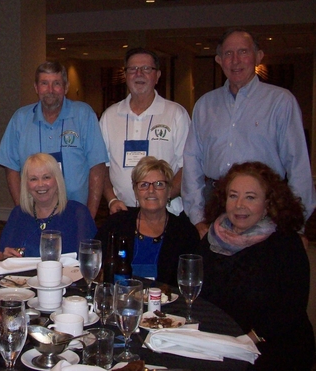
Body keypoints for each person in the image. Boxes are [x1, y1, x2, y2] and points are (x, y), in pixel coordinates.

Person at [183, 28, 316, 239]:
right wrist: (197, 217)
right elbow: (191, 162)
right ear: (219, 59)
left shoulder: (280, 101)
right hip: (215, 207)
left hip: (265, 209)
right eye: (228, 54)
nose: (235, 60)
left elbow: (297, 163)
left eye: (243, 52)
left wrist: (296, 223)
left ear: (258, 56)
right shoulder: (205, 105)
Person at [197, 162, 315, 370]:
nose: (239, 204)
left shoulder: (286, 243)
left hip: (272, 345)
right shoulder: (212, 238)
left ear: (268, 203)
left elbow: (290, 308)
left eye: (250, 197)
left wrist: (247, 339)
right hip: (220, 341)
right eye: (233, 195)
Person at [0, 61, 108, 218]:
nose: (50, 90)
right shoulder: (20, 119)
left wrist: (89, 215)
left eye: (56, 83)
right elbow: (11, 168)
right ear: (36, 88)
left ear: (66, 87)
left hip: (75, 211)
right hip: (33, 212)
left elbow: (97, 166)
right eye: (44, 83)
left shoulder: (83, 115)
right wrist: (22, 211)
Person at [100, 47, 190, 216]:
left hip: (166, 211)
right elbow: (102, 166)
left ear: (157, 76)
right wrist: (111, 199)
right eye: (133, 69)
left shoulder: (175, 114)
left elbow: (187, 166)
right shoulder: (109, 116)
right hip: (122, 211)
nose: (139, 74)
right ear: (125, 75)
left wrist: (164, 197)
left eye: (146, 69)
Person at [95, 157, 198, 285]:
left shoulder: (185, 233)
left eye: (159, 184)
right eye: (143, 185)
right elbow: (97, 268)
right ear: (136, 192)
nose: (151, 191)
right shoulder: (116, 224)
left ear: (169, 190)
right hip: (120, 301)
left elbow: (190, 282)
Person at [0, 153, 97, 258]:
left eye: (46, 177)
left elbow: (88, 260)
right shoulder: (18, 214)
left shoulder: (78, 213)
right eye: (33, 179)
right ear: (26, 184)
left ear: (57, 180)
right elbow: (1, 254)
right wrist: (5, 256)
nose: (40, 184)